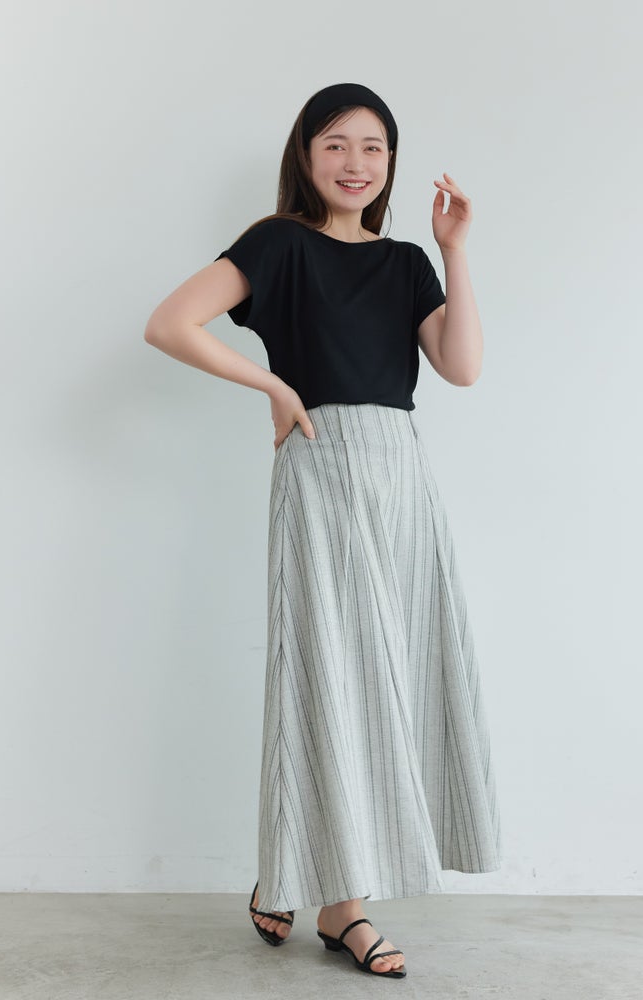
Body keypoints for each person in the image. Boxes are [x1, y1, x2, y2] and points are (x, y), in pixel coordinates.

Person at [144, 82, 502, 981]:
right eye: (336, 144)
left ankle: (302, 880)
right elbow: (169, 324)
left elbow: (461, 368)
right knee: (328, 674)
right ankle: (343, 904)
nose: (355, 163)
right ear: (305, 155)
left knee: (397, 677)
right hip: (321, 465)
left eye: (374, 147)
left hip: (402, 476)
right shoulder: (279, 245)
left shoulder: (407, 262)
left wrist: (456, 251)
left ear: (391, 162)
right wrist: (273, 385)